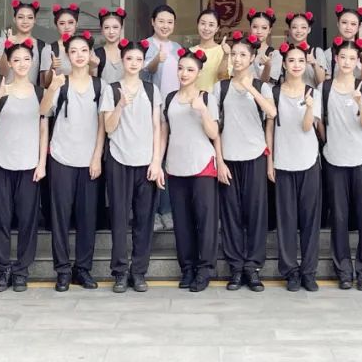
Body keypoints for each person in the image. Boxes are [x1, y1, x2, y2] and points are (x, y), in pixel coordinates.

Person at [213, 31, 277, 292]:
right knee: (231, 215)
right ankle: (236, 268)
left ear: (252, 58)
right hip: (229, 158)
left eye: (243, 55)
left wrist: (250, 87)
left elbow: (272, 113)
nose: (237, 59)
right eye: (234, 55)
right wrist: (219, 161)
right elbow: (215, 128)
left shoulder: (262, 87)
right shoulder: (221, 87)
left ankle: (252, 267)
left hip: (255, 156)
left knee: (256, 214)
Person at [0, 37, 47, 293]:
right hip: (2, 161)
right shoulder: (1, 91)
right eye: (16, 60)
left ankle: (21, 271)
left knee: (28, 220)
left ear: (32, 62)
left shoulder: (39, 93)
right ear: (8, 63)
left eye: (26, 59)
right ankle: (3, 269)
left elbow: (44, 129)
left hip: (29, 163)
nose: (21, 64)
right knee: (1, 218)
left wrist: (42, 163)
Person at [42, 30, 105, 292]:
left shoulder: (100, 86)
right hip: (61, 157)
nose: (79, 55)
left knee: (87, 217)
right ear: (67, 56)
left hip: (89, 160)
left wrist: (97, 157)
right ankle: (63, 270)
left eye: (83, 51)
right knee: (60, 217)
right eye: (73, 51)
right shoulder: (61, 83)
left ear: (90, 54)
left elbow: (103, 126)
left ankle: (83, 269)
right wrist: (51, 88)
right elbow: (43, 111)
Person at [100, 38, 164, 293]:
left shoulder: (151, 90)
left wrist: (156, 161)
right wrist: (120, 105)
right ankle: (119, 272)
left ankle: (138, 272)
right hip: (119, 159)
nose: (134, 63)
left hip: (146, 162)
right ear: (122, 60)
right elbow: (108, 128)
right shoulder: (111, 89)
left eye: (139, 59)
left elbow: (157, 127)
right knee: (118, 218)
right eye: (130, 59)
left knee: (144, 220)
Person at [321, 36, 362, 291]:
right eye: (342, 57)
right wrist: (329, 142)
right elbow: (320, 122)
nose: (346, 62)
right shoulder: (324, 87)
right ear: (336, 59)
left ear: (358, 62)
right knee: (339, 217)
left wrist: (360, 103)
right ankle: (343, 271)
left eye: (351, 58)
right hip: (334, 159)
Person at [162, 48, 220, 292]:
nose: (184, 73)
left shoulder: (207, 98)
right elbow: (165, 132)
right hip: (176, 165)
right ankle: (187, 268)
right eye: (181, 68)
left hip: (202, 164)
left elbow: (214, 133)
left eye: (190, 70)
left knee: (205, 220)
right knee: (182, 221)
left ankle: (204, 269)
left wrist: (202, 110)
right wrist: (158, 162)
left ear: (199, 73)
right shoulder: (169, 99)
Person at [267, 41, 321, 292]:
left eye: (301, 61)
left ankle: (308, 271)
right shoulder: (274, 92)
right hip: (283, 162)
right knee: (286, 220)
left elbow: (308, 127)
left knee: (310, 220)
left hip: (309, 161)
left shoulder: (313, 92)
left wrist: (309, 108)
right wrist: (270, 160)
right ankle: (290, 271)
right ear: (284, 64)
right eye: (291, 61)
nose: (296, 65)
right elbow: (269, 128)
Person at [143, 4, 183, 231]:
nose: (165, 25)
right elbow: (144, 72)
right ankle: (154, 213)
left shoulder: (177, 48)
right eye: (161, 21)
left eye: (169, 22)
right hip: (153, 111)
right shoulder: (145, 45)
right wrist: (157, 59)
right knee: (153, 160)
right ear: (152, 22)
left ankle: (167, 210)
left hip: (173, 111)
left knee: (168, 162)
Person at [269, 11, 325, 87]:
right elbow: (277, 82)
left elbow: (322, 84)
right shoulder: (281, 53)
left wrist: (314, 64)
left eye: (303, 27)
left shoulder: (317, 52)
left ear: (309, 29)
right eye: (294, 27)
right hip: (288, 93)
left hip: (312, 94)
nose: (299, 31)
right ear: (289, 29)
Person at [0, 0, 43, 82]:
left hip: (31, 90)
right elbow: (2, 72)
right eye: (20, 17)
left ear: (34, 20)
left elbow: (43, 81)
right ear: (14, 19)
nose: (25, 21)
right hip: (7, 89)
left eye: (30, 17)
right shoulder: (2, 41)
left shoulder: (42, 46)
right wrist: (8, 46)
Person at [324, 5, 362, 83]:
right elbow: (326, 84)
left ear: (359, 27)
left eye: (353, 24)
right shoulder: (328, 53)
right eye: (344, 22)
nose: (348, 27)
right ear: (338, 24)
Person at [42, 3, 80, 88]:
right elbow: (46, 84)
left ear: (76, 24)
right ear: (56, 25)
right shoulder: (49, 49)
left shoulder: (85, 48)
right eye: (62, 23)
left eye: (71, 22)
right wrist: (52, 68)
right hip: (59, 94)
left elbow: (92, 79)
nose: (67, 27)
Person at [192, 8, 229, 93]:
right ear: (197, 25)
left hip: (214, 98)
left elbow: (223, 78)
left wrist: (226, 56)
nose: (206, 28)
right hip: (193, 98)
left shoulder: (223, 51)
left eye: (211, 25)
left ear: (217, 28)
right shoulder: (191, 52)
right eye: (203, 23)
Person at [93, 7, 127, 84]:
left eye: (115, 27)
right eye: (106, 27)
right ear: (101, 29)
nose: (111, 31)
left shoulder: (129, 52)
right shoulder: (96, 54)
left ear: (121, 28)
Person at [245, 7, 277, 82]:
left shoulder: (275, 54)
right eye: (255, 27)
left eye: (264, 28)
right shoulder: (242, 51)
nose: (259, 31)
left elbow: (268, 82)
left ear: (270, 30)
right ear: (250, 28)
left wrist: (267, 65)